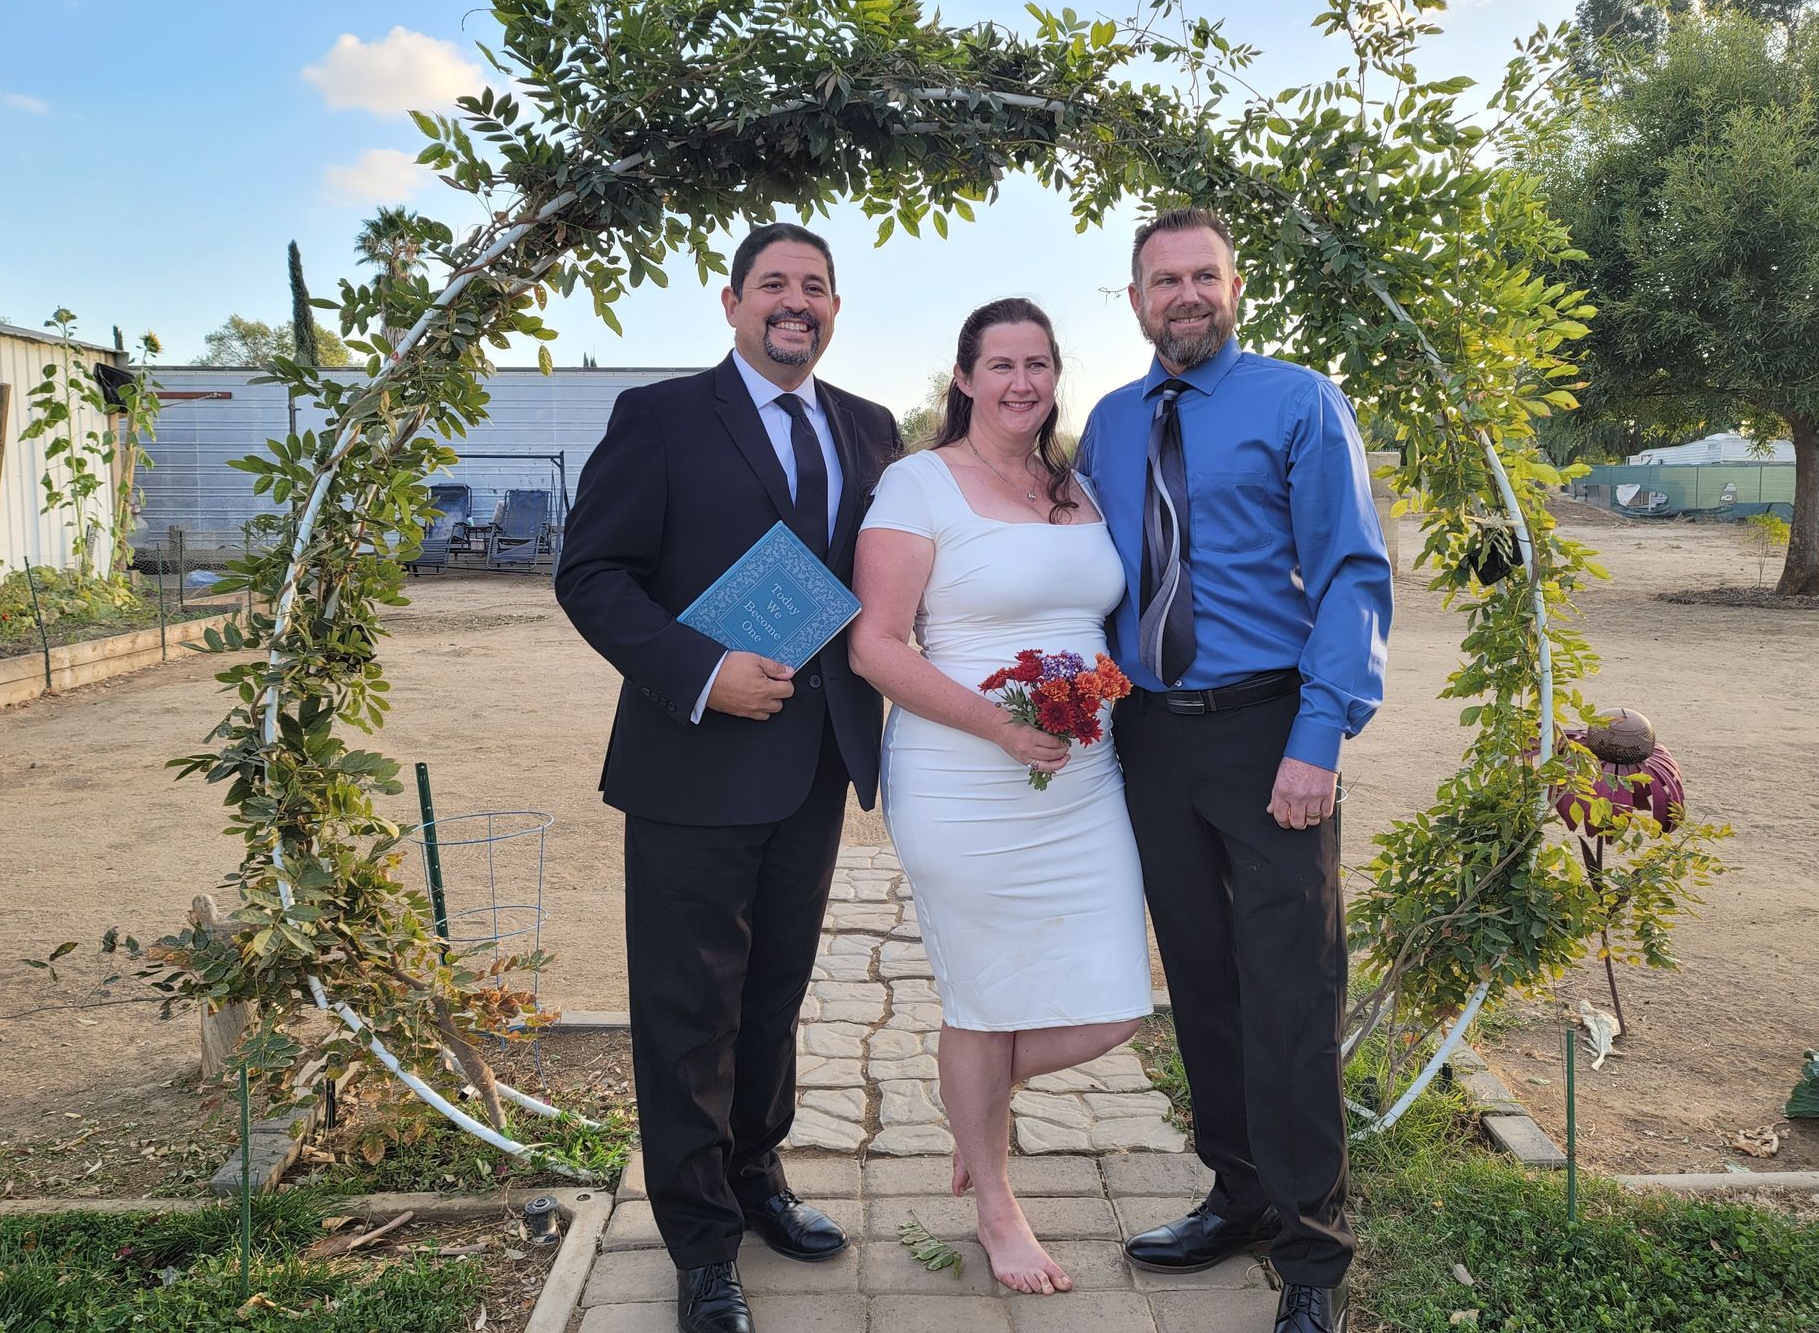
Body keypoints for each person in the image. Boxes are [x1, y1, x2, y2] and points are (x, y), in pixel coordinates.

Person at [555, 224, 900, 1333]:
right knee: (685, 1008)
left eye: (814, 288)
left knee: (774, 996)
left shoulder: (870, 428)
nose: (793, 304)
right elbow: (592, 573)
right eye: (773, 287)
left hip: (814, 762)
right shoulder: (657, 420)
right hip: (692, 760)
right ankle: (699, 1242)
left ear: (835, 309)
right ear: (731, 302)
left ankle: (757, 1178)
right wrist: (702, 673)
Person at [1078, 207, 1393, 1333]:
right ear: (1135, 301)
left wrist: (1319, 739)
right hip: (1153, 739)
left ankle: (1313, 1255)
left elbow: (1354, 574)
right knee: (1203, 983)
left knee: (1290, 992)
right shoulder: (1108, 427)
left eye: (1203, 275)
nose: (1185, 296)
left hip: (1271, 736)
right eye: (1164, 280)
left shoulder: (1300, 403)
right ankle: (1239, 1193)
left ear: (1235, 286)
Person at [848, 297, 1154, 1296]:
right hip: (963, 778)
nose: (1021, 380)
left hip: (1082, 781)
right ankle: (995, 1202)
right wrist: (998, 722)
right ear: (965, 379)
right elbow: (876, 647)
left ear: (1055, 376)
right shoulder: (918, 485)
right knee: (982, 995)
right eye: (1000, 364)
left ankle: (975, 1104)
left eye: (1038, 363)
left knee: (1115, 1005)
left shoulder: (1080, 489)